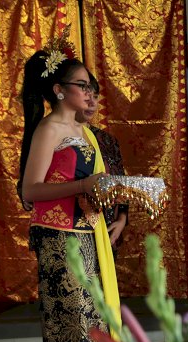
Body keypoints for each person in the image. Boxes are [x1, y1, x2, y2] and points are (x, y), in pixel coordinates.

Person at [19, 41, 126, 342]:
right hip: (57, 231)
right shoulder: (49, 129)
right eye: (82, 84)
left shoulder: (84, 131)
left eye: (91, 86)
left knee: (88, 312)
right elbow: (31, 190)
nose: (90, 92)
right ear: (59, 90)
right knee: (67, 311)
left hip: (87, 230)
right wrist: (82, 187)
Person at [75, 74, 128, 249]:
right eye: (86, 96)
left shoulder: (107, 141)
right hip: (74, 232)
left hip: (108, 232)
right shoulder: (59, 137)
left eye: (95, 97)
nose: (92, 103)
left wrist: (121, 220)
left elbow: (120, 185)